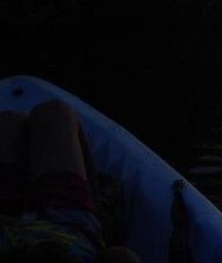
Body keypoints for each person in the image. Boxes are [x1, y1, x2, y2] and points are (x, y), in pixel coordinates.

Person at [0, 99, 139, 262]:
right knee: (54, 112)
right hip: (67, 225)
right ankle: (97, 209)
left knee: (10, 121)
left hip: (7, 225)